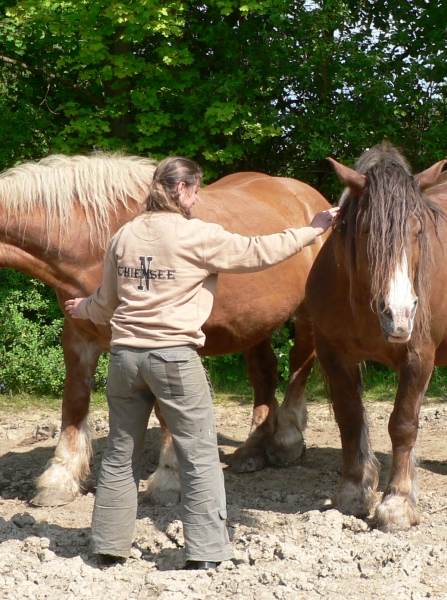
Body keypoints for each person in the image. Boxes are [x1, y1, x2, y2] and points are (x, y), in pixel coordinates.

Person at [65, 156, 339, 571]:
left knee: (121, 454)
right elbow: (258, 252)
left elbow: (105, 303)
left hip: (124, 360)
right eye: (195, 191)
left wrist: (82, 307)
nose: (198, 199)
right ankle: (206, 550)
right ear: (180, 190)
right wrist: (312, 230)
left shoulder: (124, 235)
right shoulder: (198, 235)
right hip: (173, 358)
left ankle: (109, 546)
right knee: (199, 456)